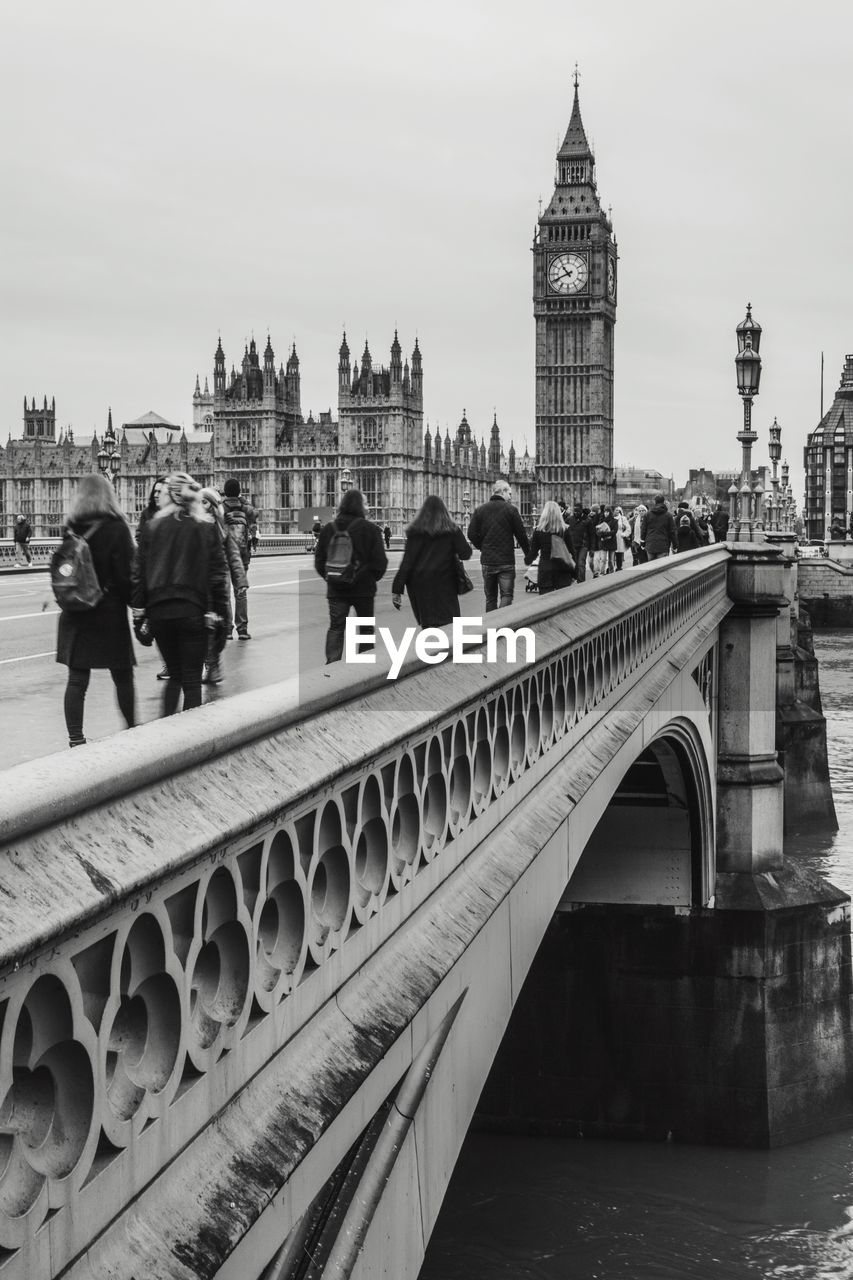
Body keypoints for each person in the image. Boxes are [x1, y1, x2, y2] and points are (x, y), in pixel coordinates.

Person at [132, 472, 229, 715]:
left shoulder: (152, 527)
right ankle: (191, 742)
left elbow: (138, 574)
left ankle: (165, 735)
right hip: (192, 612)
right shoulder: (205, 527)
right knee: (191, 680)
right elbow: (218, 577)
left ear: (170, 496)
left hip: (159, 614)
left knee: (174, 676)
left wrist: (139, 615)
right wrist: (223, 618)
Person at [55, 475, 136, 748]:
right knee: (122, 675)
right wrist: (136, 605)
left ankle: (76, 739)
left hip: (75, 612)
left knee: (77, 679)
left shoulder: (71, 527)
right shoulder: (117, 527)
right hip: (107, 611)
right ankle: (132, 729)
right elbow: (126, 576)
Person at [315, 488, 388, 663]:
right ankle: (362, 669)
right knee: (365, 629)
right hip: (363, 590)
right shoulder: (371, 530)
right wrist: (368, 578)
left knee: (336, 628)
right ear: (359, 506)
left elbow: (319, 562)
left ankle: (332, 669)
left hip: (336, 589)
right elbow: (380, 563)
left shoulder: (328, 529)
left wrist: (333, 578)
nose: (368, 507)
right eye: (366, 503)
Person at [391, 495, 471, 625]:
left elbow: (407, 562)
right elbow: (466, 553)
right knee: (449, 624)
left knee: (428, 625)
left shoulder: (415, 532)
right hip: (445, 583)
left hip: (420, 585)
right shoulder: (451, 530)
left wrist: (397, 589)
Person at [199, 487, 247, 684]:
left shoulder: (221, 529)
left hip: (217, 583)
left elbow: (234, 556)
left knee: (217, 626)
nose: (201, 505)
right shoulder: (194, 526)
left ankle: (213, 662)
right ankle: (209, 664)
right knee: (204, 627)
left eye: (205, 502)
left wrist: (241, 580)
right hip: (200, 585)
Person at [467, 480, 530, 611]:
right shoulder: (511, 510)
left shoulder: (480, 510)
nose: (511, 497)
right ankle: (501, 625)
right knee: (506, 595)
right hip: (505, 561)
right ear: (502, 492)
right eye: (509, 493)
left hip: (488, 561)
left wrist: (483, 547)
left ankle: (492, 627)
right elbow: (521, 535)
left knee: (490, 598)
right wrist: (529, 554)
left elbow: (471, 534)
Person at [222, 478, 258, 639]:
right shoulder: (245, 508)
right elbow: (255, 513)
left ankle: (227, 629)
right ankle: (242, 629)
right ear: (238, 491)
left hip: (223, 555)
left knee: (225, 593)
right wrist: (242, 498)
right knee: (240, 592)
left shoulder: (220, 508)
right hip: (242, 555)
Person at [525, 501, 575, 594]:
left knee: (545, 603)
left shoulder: (538, 531)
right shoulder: (565, 530)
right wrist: (575, 572)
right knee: (562, 602)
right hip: (562, 569)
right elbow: (572, 551)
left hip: (546, 569)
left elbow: (533, 552)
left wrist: (527, 560)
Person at [643, 492, 677, 561]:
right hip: (663, 545)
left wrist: (642, 542)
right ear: (664, 502)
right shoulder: (668, 516)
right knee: (662, 568)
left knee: (651, 568)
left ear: (655, 502)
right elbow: (672, 531)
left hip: (650, 545)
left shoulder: (647, 515)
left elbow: (643, 529)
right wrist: (675, 545)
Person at [564, 504, 590, 582]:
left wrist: (592, 548)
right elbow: (563, 527)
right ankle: (575, 578)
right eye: (574, 511)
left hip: (583, 545)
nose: (576, 513)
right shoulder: (569, 519)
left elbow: (591, 534)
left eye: (577, 511)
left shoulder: (587, 520)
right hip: (573, 545)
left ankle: (581, 581)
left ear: (581, 511)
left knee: (581, 563)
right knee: (574, 564)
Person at [136, 476, 166, 542]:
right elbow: (139, 536)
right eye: (155, 491)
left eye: (159, 492)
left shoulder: (176, 514)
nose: (156, 495)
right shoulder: (146, 512)